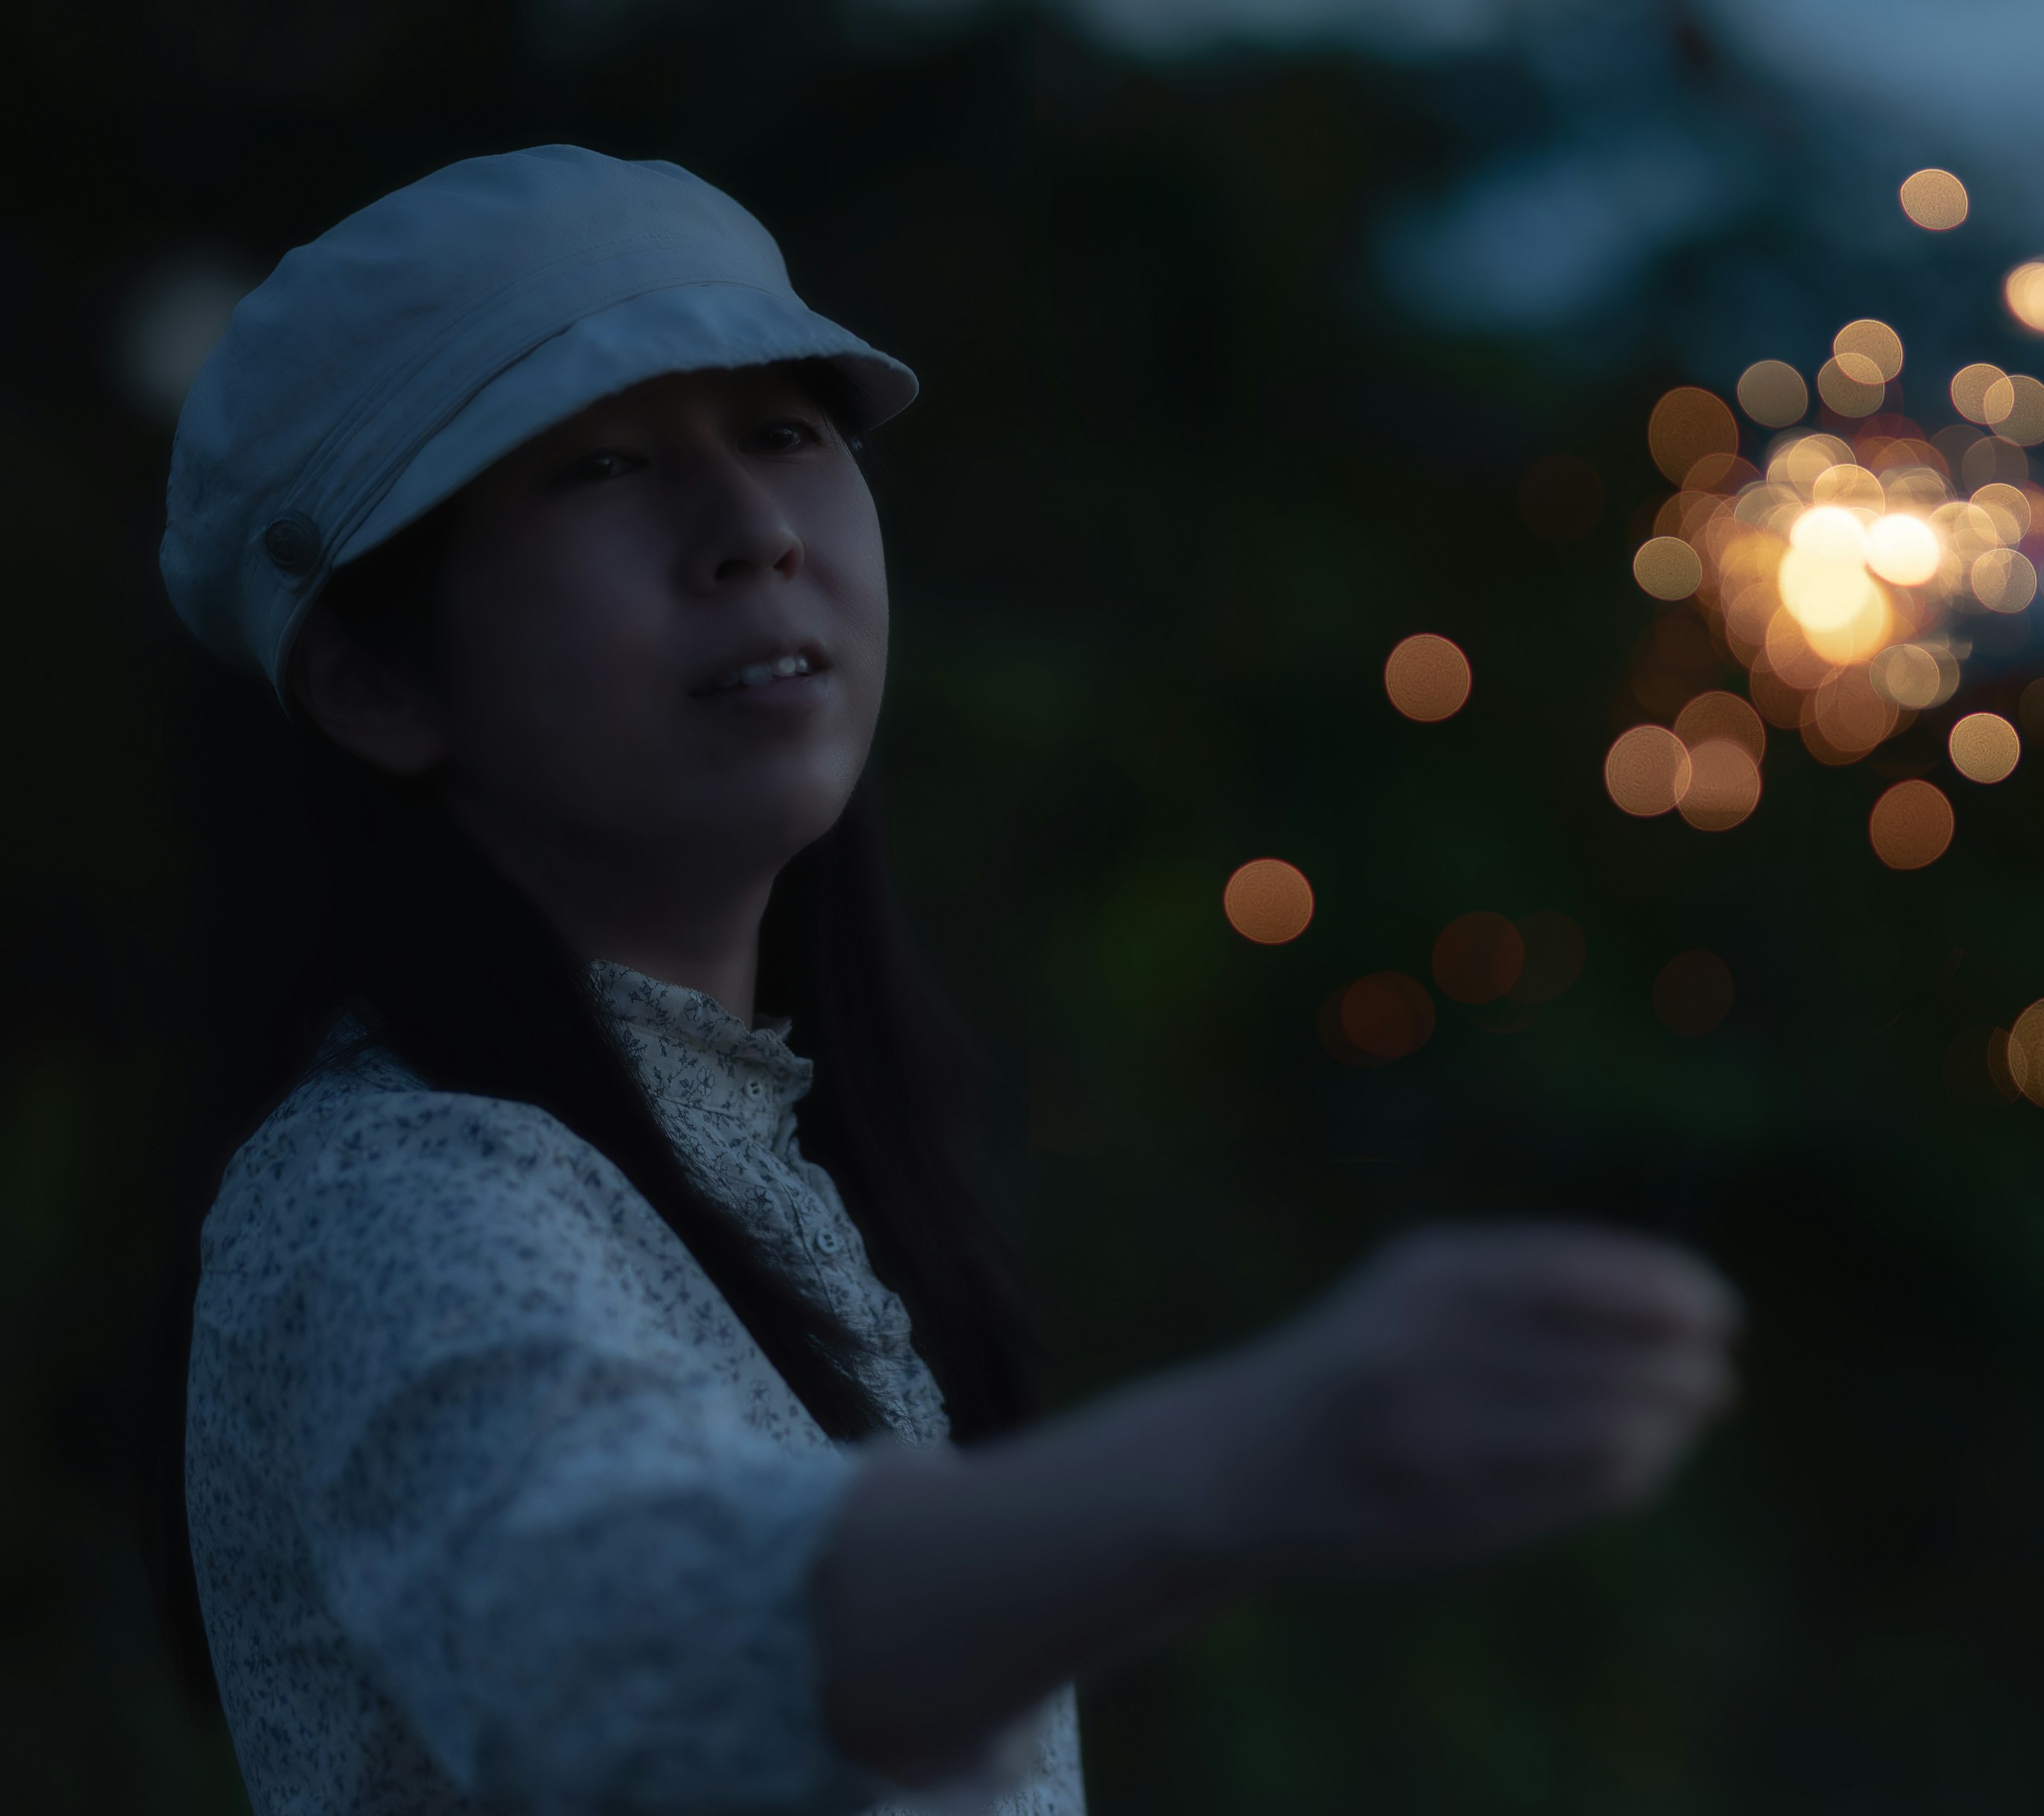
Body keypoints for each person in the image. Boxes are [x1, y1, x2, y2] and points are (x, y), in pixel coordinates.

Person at [151, 143, 1745, 1816]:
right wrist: (1270, 1447)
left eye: (785, 432)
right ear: (376, 681)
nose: (752, 529)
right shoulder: (392, 1191)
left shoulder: (764, 1163)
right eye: (603, 466)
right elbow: (629, 1646)